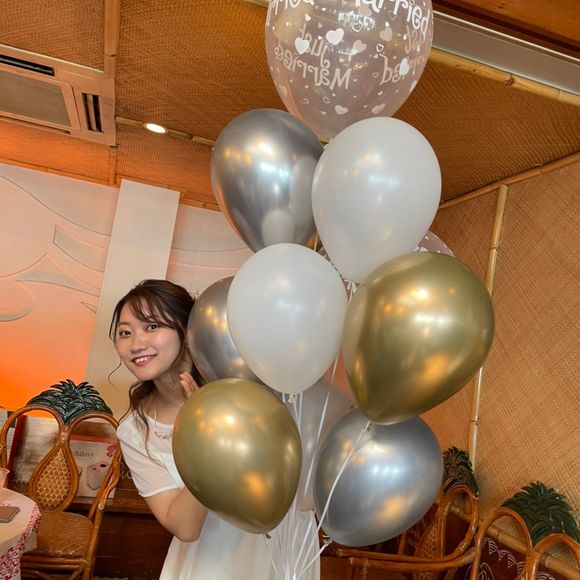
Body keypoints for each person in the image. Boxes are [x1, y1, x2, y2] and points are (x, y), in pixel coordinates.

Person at [112, 279, 306, 579]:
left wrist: (217, 409)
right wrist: (203, 436)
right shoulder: (134, 431)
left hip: (280, 548)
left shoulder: (244, 382)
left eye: (152, 326)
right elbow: (185, 527)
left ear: (187, 329)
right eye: (125, 332)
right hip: (208, 563)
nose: (136, 344)